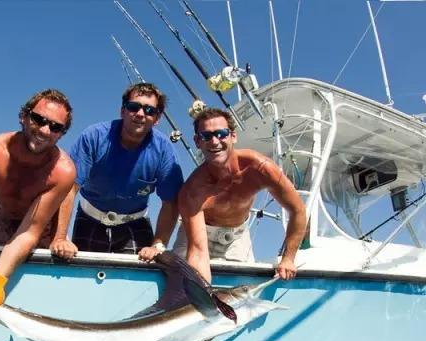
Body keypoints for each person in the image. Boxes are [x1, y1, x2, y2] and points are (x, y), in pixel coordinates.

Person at [0, 89, 76, 318]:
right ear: (24, 116)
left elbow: (28, 233)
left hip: (38, 224)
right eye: (39, 119)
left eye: (55, 127)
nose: (44, 130)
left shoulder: (63, 171)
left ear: (61, 134)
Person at [49, 82, 184, 261]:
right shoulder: (93, 137)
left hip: (135, 224)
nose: (141, 114)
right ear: (122, 111)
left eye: (149, 110)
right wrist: (60, 237)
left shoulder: (164, 150)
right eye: (134, 107)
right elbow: (68, 188)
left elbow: (171, 201)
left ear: (157, 118)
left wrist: (158, 243)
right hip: (89, 219)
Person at [173, 108, 307, 283]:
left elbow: (298, 210)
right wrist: (201, 296)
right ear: (197, 141)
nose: (214, 141)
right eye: (206, 136)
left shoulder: (261, 168)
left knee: (242, 291)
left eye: (221, 134)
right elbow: (198, 252)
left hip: (236, 238)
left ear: (233, 136)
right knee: (181, 282)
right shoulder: (192, 191)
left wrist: (288, 258)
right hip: (196, 236)